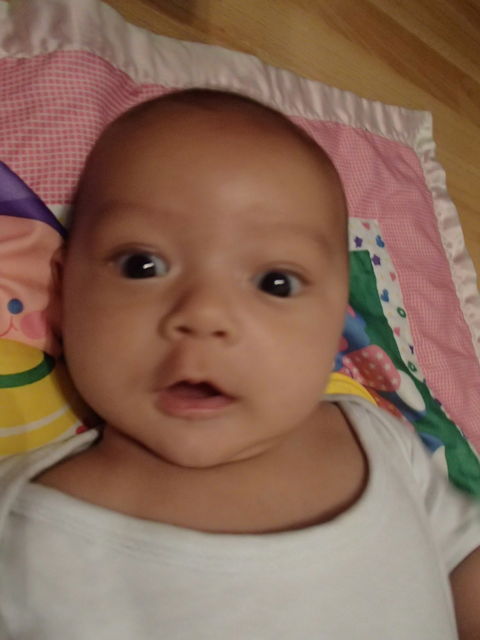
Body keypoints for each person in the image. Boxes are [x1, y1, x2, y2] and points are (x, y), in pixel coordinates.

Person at [0, 88, 479, 639]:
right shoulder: (19, 524)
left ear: (335, 319)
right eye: (141, 265)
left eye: (276, 283)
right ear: (63, 292)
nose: (204, 314)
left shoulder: (381, 438)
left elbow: (463, 558)